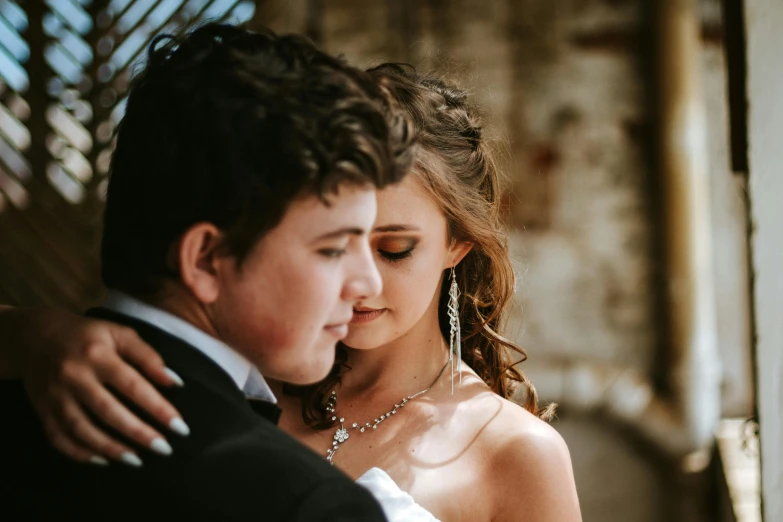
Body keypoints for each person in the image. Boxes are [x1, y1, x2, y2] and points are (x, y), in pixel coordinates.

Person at [0, 66, 582, 521]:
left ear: (458, 242)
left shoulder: (517, 453)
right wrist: (30, 333)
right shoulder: (236, 374)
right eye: (334, 244)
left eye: (395, 248)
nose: (361, 281)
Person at [0, 22, 416, 521]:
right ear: (204, 259)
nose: (367, 283)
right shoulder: (307, 504)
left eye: (382, 246)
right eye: (332, 249)